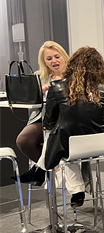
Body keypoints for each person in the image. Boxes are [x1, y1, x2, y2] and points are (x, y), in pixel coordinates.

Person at [43, 47, 104, 208]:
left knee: (55, 140)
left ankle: (45, 174)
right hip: (102, 146)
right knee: (65, 141)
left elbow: (48, 123)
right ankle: (46, 174)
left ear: (72, 65)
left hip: (72, 148)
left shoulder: (57, 88)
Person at [15, 41, 70, 185]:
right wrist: (40, 93)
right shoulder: (40, 77)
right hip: (45, 118)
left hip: (67, 119)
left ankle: (41, 170)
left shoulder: (75, 76)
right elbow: (32, 103)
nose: (54, 61)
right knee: (23, 140)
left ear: (64, 56)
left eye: (57, 56)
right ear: (44, 62)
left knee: (54, 136)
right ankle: (51, 169)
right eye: (49, 58)